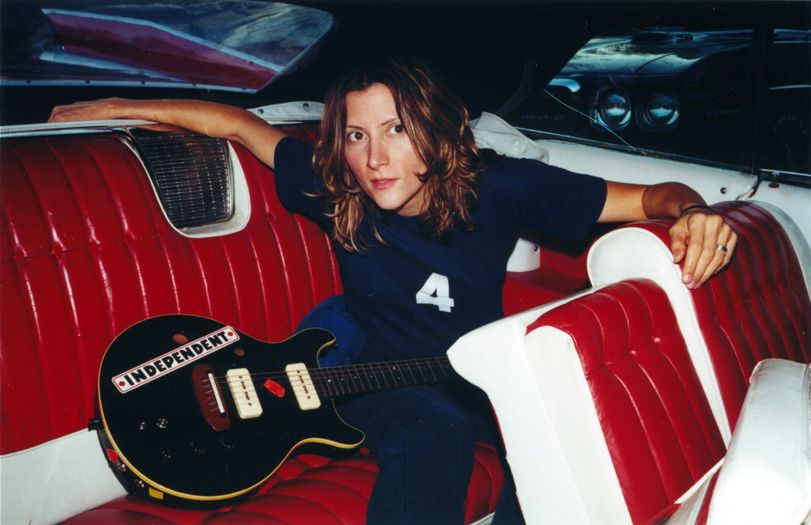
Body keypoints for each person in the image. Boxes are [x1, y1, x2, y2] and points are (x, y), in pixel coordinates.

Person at [49, 57, 737, 524]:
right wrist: (114, 106)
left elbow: (654, 194)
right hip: (361, 367)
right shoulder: (336, 186)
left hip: (469, 373)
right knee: (432, 430)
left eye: (396, 130)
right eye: (356, 135)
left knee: (552, 441)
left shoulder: (500, 187)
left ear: (438, 131)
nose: (374, 158)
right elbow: (240, 126)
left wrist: (694, 211)